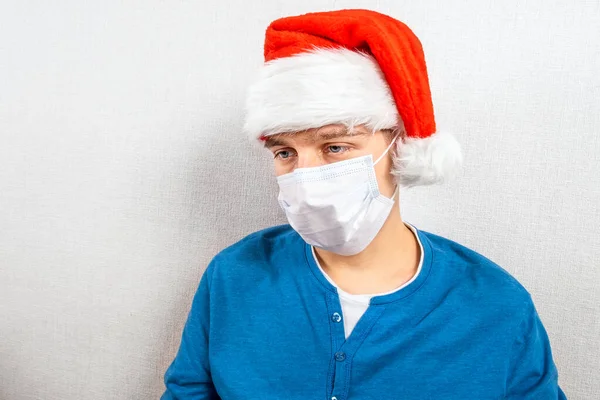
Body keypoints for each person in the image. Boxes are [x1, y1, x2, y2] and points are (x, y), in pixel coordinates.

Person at [162, 9, 566, 399]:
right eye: (284, 152)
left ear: (401, 148)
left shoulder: (494, 303)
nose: (305, 174)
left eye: (335, 146)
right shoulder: (234, 275)